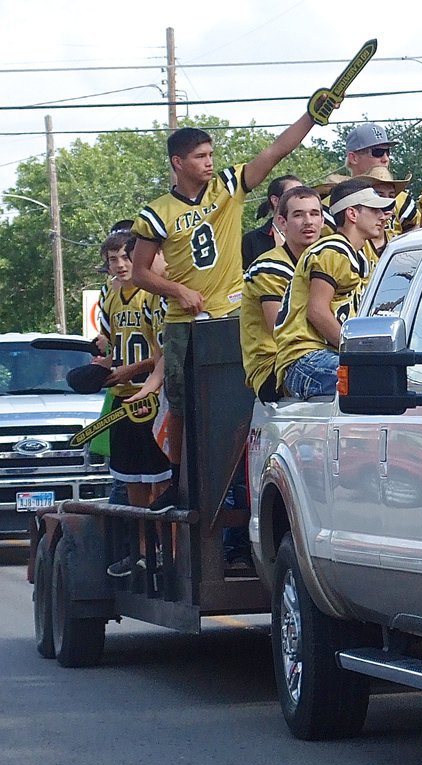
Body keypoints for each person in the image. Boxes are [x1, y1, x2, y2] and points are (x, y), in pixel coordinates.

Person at [128, 103, 330, 511]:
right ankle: (179, 479)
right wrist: (176, 290)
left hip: (232, 315)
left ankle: (240, 485)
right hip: (186, 321)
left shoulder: (227, 185)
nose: (209, 162)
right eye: (200, 156)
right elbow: (138, 272)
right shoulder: (157, 212)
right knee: (183, 404)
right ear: (178, 162)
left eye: (211, 155)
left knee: (238, 402)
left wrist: (311, 116)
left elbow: (274, 153)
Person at [94, 231, 172, 576]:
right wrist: (103, 365)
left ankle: (170, 553)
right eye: (114, 260)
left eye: (127, 257)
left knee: (162, 481)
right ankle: (143, 552)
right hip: (123, 399)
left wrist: (133, 369)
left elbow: (164, 353)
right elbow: (111, 346)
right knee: (132, 482)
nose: (121, 265)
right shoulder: (111, 298)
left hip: (154, 399)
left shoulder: (152, 296)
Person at [274, 178, 393, 399]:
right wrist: (358, 354)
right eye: (374, 209)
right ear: (352, 214)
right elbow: (317, 311)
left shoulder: (359, 255)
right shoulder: (334, 250)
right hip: (305, 360)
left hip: (319, 358)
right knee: (380, 382)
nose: (382, 216)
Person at [241, 185, 323, 402]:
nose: (308, 221)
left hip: (311, 356)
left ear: (323, 221)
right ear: (282, 222)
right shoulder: (269, 265)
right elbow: (282, 330)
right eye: (298, 215)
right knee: (357, 379)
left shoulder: (323, 261)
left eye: (314, 214)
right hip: (274, 368)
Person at [339, 122, 420, 235]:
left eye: (388, 152)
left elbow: (417, 232)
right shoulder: (336, 201)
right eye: (378, 152)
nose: (386, 159)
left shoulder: (402, 200)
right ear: (353, 158)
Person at [242, 174, 302, 268]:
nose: (301, 199)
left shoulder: (313, 233)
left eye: (304, 193)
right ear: (275, 200)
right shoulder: (252, 241)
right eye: (293, 194)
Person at [358, 165, 412, 269]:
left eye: (391, 196)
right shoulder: (357, 242)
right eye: (380, 195)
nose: (387, 201)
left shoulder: (398, 243)